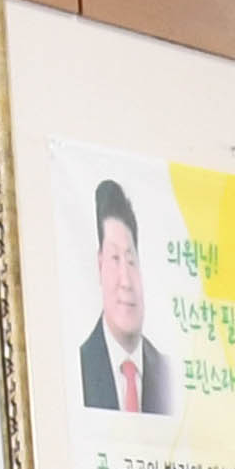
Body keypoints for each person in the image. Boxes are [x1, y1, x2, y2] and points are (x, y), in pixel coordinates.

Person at [79, 177, 173, 415]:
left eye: (131, 261)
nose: (126, 280)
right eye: (115, 259)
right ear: (99, 265)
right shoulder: (80, 366)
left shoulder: (167, 374)